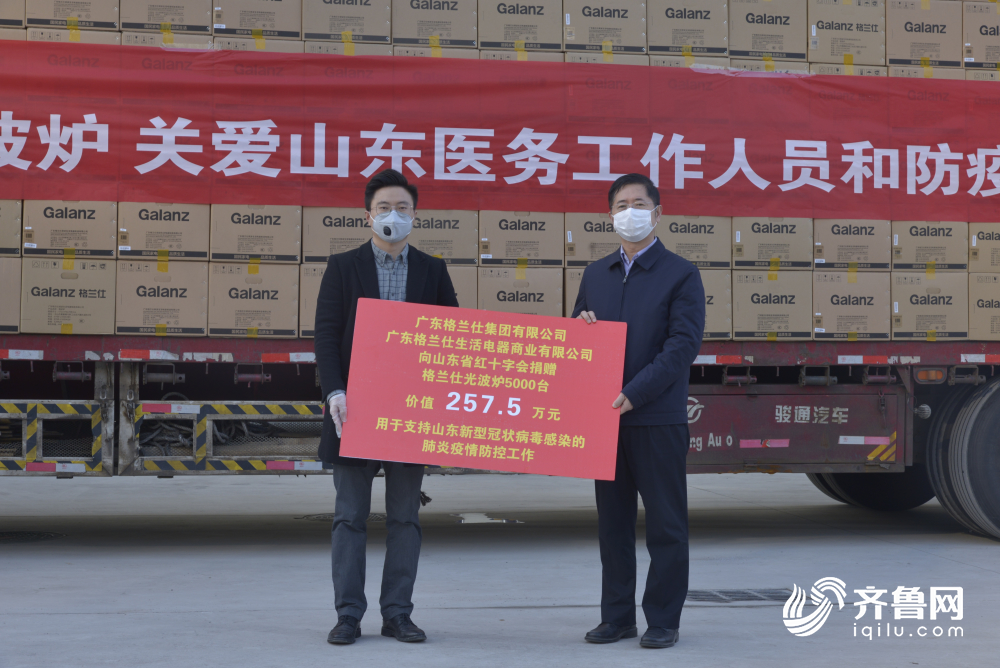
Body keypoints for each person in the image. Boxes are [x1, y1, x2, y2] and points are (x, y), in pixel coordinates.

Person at [314, 169, 459, 645]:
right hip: (354, 411)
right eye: (383, 208)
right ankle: (348, 615)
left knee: (404, 518)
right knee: (349, 517)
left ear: (415, 215)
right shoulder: (343, 267)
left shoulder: (432, 270)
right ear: (367, 216)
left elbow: (454, 337)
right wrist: (335, 391)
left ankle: (398, 613)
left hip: (410, 412)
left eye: (401, 207)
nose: (392, 215)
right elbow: (326, 336)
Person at [572, 173, 705, 649]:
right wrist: (580, 325)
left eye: (639, 203)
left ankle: (663, 619)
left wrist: (636, 392)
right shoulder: (595, 274)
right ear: (610, 216)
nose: (630, 212)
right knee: (613, 526)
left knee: (666, 525)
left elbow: (682, 345)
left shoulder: (680, 273)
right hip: (605, 420)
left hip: (656, 417)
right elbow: (576, 337)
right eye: (621, 205)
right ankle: (616, 618)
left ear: (657, 213)